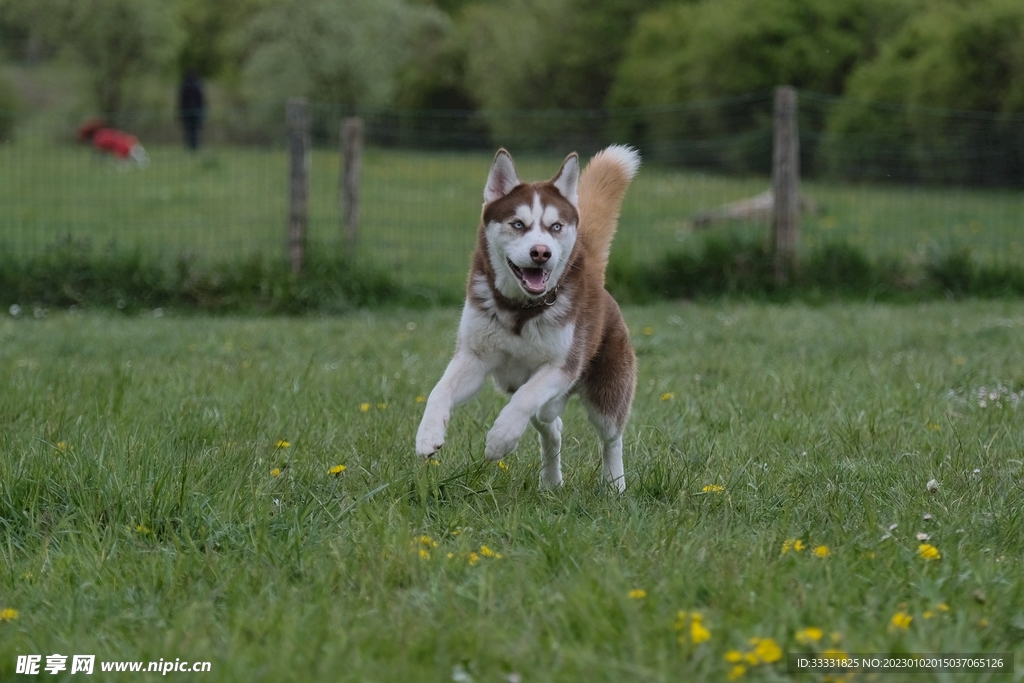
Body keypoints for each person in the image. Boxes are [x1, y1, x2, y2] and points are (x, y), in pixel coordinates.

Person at [178, 71, 205, 151]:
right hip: (196, 111)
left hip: (187, 111)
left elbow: (181, 100)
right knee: (195, 130)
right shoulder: (198, 85)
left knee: (188, 130)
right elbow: (201, 100)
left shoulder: (184, 85)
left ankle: (190, 147)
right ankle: (194, 146)